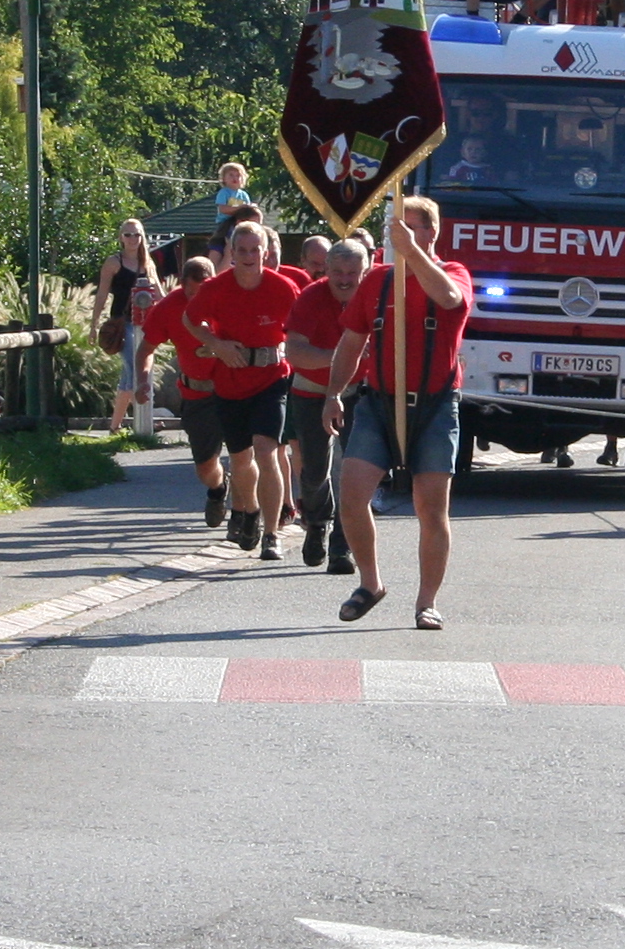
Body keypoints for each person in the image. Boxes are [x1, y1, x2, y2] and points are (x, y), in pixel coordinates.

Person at [324, 196, 473, 627]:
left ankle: (426, 602)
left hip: (434, 404)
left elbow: (449, 299)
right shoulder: (378, 281)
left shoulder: (453, 273)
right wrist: (333, 393)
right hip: (380, 402)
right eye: (395, 228)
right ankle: (370, 583)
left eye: (410, 228)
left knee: (431, 508)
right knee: (352, 495)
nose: (400, 236)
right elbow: (351, 342)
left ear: (432, 231)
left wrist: (412, 252)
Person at [184, 220, 306, 553]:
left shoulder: (283, 288)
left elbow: (303, 327)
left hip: (271, 378)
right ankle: (249, 510)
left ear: (265, 253)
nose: (249, 256)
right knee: (240, 459)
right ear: (233, 253)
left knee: (266, 451)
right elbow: (190, 320)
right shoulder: (216, 288)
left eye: (255, 250)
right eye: (243, 250)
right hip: (231, 382)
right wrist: (216, 343)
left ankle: (272, 534)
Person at [286, 237, 369, 570]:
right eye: (338, 272)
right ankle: (317, 523)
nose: (345, 280)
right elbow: (294, 351)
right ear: (327, 271)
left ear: (365, 272)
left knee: (354, 470)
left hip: (358, 393)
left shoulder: (374, 298)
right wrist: (342, 357)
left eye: (353, 273)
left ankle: (342, 545)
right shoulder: (311, 297)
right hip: (311, 390)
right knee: (314, 470)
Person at [147, 255, 229, 528]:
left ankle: (245, 516)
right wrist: (142, 381)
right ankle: (218, 489)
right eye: (193, 293)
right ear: (182, 285)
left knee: (246, 455)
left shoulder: (229, 297)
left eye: (203, 292)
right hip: (198, 394)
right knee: (205, 467)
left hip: (235, 389)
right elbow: (145, 348)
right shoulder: (169, 307)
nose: (198, 301)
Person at [95, 219, 161, 436]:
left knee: (128, 377)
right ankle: (145, 420)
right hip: (123, 325)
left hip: (145, 324)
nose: (133, 239)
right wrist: (94, 324)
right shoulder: (114, 262)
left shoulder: (147, 263)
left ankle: (115, 427)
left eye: (137, 234)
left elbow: (159, 294)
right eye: (128, 234)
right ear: (121, 237)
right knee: (136, 371)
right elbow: (102, 294)